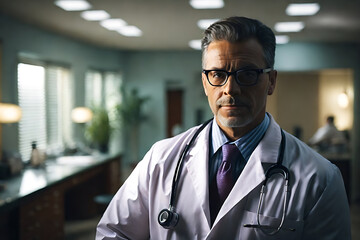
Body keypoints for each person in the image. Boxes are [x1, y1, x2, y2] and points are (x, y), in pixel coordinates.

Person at [96, 16, 351, 239]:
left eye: (248, 73)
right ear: (205, 82)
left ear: (271, 81)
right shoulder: (161, 159)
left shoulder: (320, 178)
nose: (230, 89)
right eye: (218, 74)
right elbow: (113, 233)